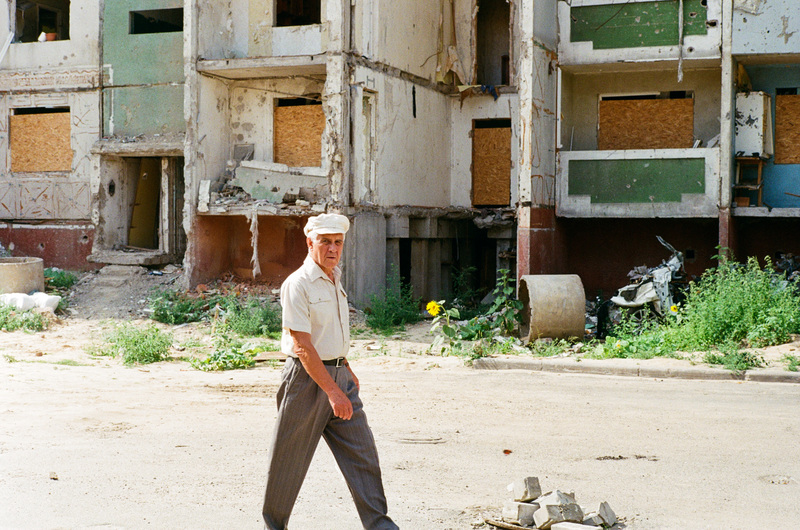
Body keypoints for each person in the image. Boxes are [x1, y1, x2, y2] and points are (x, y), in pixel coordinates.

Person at [262, 213, 398, 530]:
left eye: (338, 242)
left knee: (363, 455)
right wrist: (332, 391)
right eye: (325, 242)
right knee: (288, 461)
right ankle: (274, 526)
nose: (333, 248)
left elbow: (330, 335)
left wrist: (346, 371)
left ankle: (380, 525)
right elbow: (302, 345)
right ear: (310, 242)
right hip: (307, 381)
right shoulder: (298, 285)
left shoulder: (335, 278)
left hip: (339, 377)